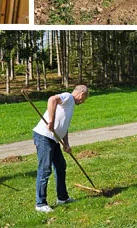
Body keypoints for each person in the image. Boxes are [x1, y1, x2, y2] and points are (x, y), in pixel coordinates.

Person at [33, 85, 89, 213]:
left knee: (60, 166)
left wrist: (66, 144)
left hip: (53, 139)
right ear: (81, 94)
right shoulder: (68, 97)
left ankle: (62, 198)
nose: (83, 102)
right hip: (44, 136)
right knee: (45, 169)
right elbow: (52, 99)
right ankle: (40, 204)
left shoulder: (70, 106)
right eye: (84, 99)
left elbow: (64, 126)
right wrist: (51, 120)